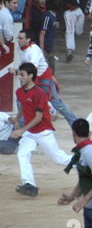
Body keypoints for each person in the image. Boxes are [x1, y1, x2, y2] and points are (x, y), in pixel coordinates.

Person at [12, 63, 72, 197]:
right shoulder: (19, 91)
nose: (19, 78)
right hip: (30, 132)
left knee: (59, 159)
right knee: (22, 154)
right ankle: (30, 185)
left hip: (43, 131)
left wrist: (21, 130)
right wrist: (17, 120)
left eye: (22, 75)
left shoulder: (39, 93)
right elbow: (23, 106)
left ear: (31, 76)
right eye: (19, 74)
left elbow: (38, 117)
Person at [11, 29, 78, 128]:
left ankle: (77, 125)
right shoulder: (19, 46)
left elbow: (32, 70)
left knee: (58, 104)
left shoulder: (34, 50)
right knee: (20, 99)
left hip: (43, 79)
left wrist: (17, 71)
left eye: (21, 38)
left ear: (28, 40)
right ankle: (22, 124)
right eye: (18, 38)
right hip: (32, 77)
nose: (18, 40)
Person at [39, 0, 63, 75]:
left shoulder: (53, 15)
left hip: (50, 48)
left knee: (51, 72)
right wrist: (42, 53)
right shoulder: (47, 17)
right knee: (47, 73)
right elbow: (42, 34)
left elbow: (56, 26)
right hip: (45, 50)